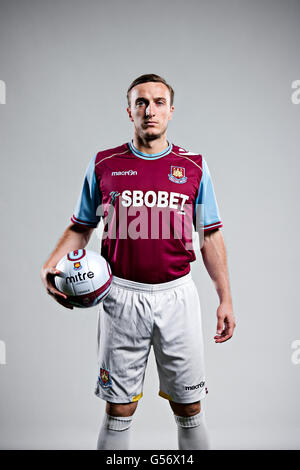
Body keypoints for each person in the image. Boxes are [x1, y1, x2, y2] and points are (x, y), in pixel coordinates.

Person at [40, 73, 236, 450]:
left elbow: (209, 234)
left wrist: (225, 298)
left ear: (171, 111)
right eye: (141, 102)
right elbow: (81, 226)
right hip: (121, 296)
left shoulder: (193, 166)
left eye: (159, 102)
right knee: (118, 409)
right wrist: (49, 266)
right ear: (128, 110)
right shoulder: (104, 164)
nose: (150, 110)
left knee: (190, 405)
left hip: (177, 295)